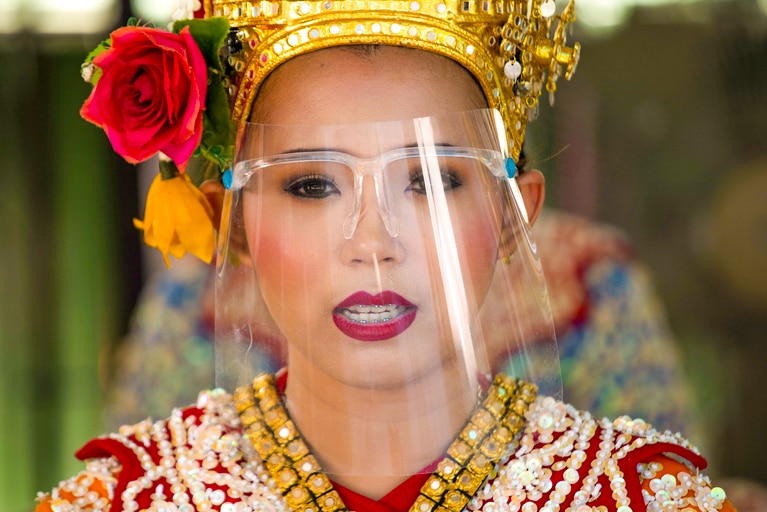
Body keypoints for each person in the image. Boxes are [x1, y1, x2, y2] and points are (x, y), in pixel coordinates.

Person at [36, 0, 735, 511]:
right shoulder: (120, 498)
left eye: (429, 180)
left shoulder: (643, 497)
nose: (372, 244)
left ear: (513, 214)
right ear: (232, 221)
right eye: (312, 185)